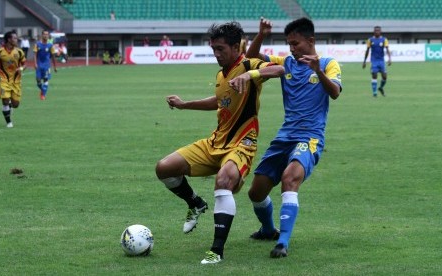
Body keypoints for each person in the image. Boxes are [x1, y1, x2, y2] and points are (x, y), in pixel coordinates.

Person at [155, 21, 285, 264]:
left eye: (220, 49)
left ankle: (216, 251)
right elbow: (219, 101)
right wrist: (185, 104)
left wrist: (250, 75)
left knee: (223, 180)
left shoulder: (248, 64)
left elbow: (279, 70)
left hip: (242, 144)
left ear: (236, 47)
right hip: (215, 142)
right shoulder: (221, 73)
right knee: (164, 168)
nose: (216, 54)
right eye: (213, 48)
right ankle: (195, 203)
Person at [245, 17, 342, 258]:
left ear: (311, 41)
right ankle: (269, 230)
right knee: (256, 192)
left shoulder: (329, 64)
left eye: (295, 43)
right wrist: (261, 35)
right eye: (289, 44)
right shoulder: (286, 62)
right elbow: (250, 59)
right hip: (284, 136)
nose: (292, 49)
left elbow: (335, 93)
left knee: (290, 178)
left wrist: (317, 70)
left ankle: (282, 243)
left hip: (309, 137)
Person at [0, 31, 26, 128]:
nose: (16, 40)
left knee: (15, 105)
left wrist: (21, 69)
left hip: (16, 81)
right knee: (5, 100)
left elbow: (24, 64)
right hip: (4, 79)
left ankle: (10, 105)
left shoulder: (19, 52)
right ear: (9, 39)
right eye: (14, 38)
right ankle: (9, 122)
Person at [362, 26, 391, 97]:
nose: (377, 32)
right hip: (374, 60)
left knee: (384, 76)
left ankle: (381, 87)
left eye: (378, 31)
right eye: (376, 31)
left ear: (380, 31)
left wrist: (389, 58)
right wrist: (364, 61)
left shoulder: (384, 39)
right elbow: (367, 50)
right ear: (374, 31)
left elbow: (387, 49)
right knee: (374, 75)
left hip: (381, 60)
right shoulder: (370, 40)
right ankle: (374, 92)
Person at [33, 30, 57, 100]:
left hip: (47, 66)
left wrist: (55, 66)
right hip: (39, 65)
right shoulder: (37, 44)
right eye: (44, 34)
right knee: (38, 81)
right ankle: (42, 90)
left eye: (47, 34)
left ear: (48, 36)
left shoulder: (50, 45)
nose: (46, 36)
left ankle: (43, 94)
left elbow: (53, 56)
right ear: (42, 35)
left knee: (46, 80)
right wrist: (35, 63)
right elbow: (35, 54)